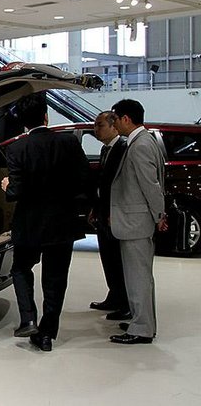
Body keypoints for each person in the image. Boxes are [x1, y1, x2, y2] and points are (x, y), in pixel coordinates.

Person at [1, 93, 89, 352]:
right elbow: (84, 179)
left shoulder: (16, 148)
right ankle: (48, 333)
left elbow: (15, 191)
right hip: (63, 223)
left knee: (20, 268)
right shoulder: (69, 143)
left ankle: (28, 318)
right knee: (56, 278)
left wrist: (7, 186)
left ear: (24, 124)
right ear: (46, 116)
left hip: (29, 222)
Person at [108, 99, 167, 345]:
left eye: (115, 119)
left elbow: (151, 185)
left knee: (138, 277)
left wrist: (159, 215)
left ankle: (142, 328)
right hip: (134, 221)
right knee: (138, 276)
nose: (114, 124)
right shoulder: (142, 141)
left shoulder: (140, 144)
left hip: (137, 222)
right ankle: (141, 320)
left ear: (126, 119)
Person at [88, 111, 130, 319]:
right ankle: (114, 296)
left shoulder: (123, 149)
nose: (96, 129)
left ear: (114, 126)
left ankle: (125, 302)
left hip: (115, 214)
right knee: (108, 258)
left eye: (100, 125)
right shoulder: (106, 150)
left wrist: (114, 211)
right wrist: (96, 209)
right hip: (103, 213)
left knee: (119, 260)